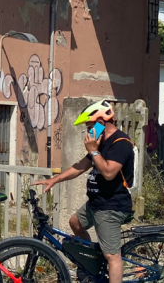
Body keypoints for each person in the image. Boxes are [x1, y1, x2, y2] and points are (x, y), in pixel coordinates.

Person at [33, 100, 134, 283]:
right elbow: (80, 166)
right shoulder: (100, 143)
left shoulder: (121, 143)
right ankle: (94, 264)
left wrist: (94, 151)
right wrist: (55, 180)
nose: (88, 132)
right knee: (76, 223)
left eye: (90, 127)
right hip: (96, 203)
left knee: (112, 256)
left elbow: (109, 173)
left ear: (101, 123)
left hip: (111, 206)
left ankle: (107, 265)